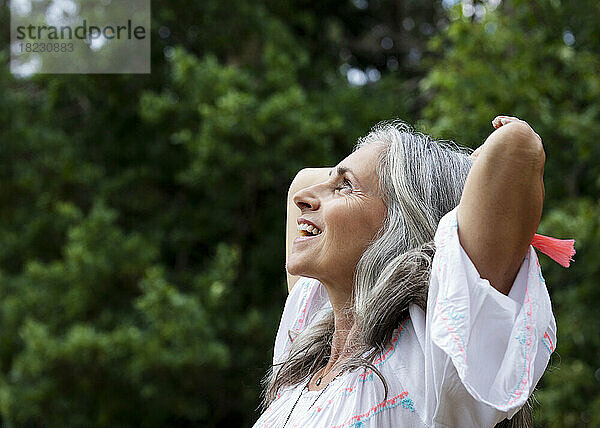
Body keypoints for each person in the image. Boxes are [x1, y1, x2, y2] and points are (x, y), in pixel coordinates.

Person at [254, 116, 558, 427]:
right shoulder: (308, 337)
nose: (303, 199)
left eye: (345, 187)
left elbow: (516, 146)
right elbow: (303, 181)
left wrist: (442, 180)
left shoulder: (429, 357)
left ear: (400, 227)